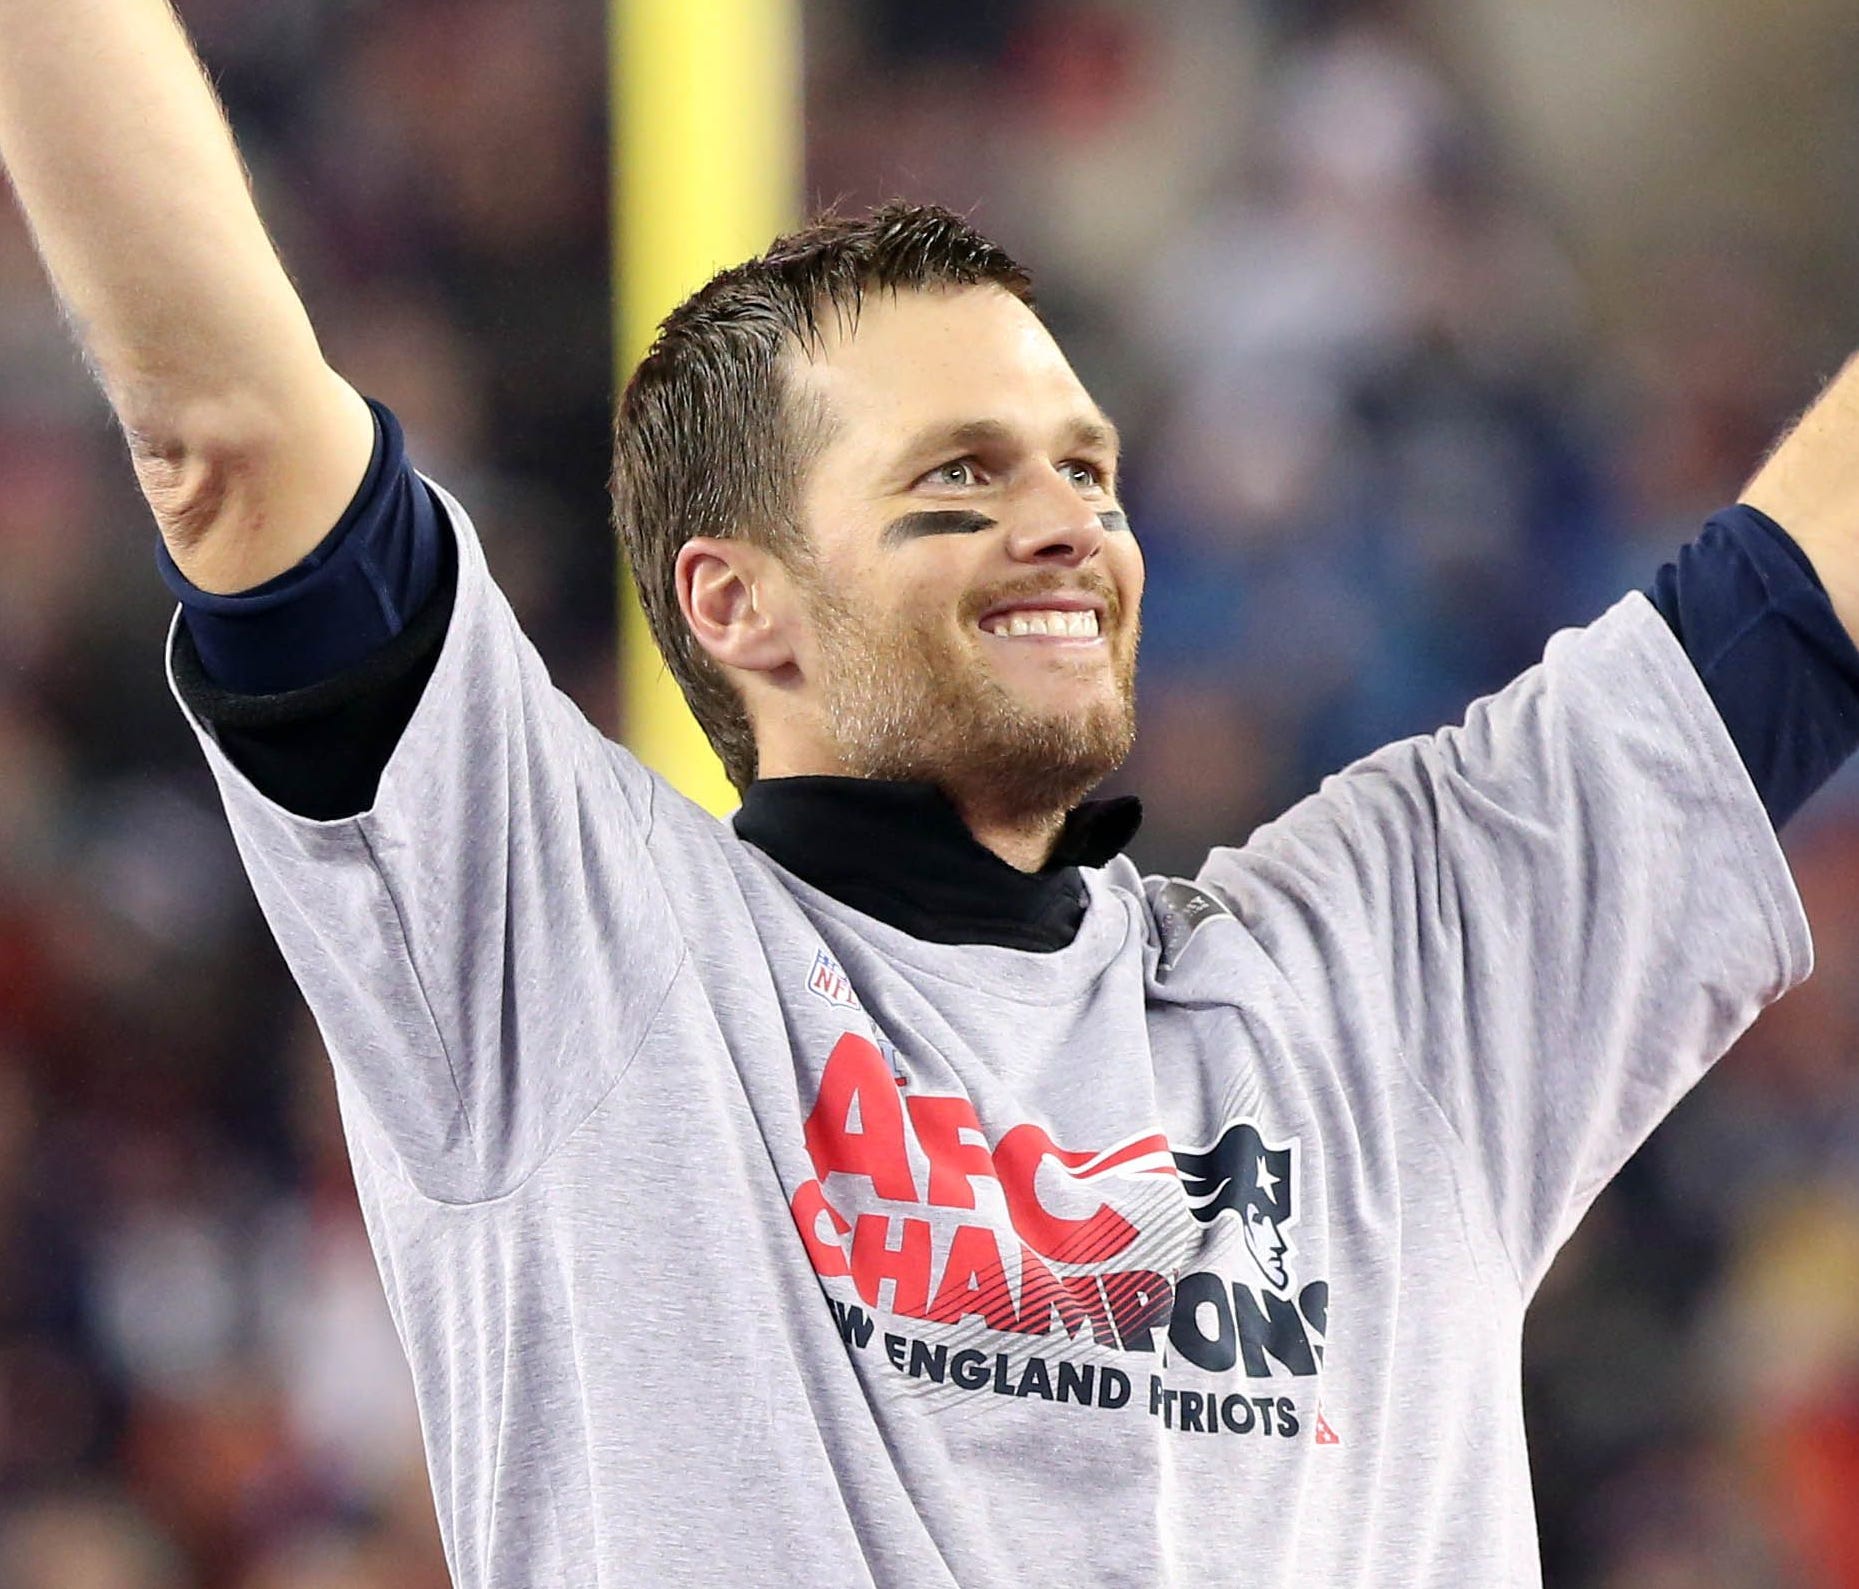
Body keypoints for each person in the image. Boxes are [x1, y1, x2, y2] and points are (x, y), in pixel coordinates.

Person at [5, 5, 1859, 1586]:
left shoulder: (1387, 978)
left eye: (1086, 464)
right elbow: (230, 436)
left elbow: (1806, 594)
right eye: (960, 479)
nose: (1070, 519)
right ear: (734, 601)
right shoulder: (578, 947)